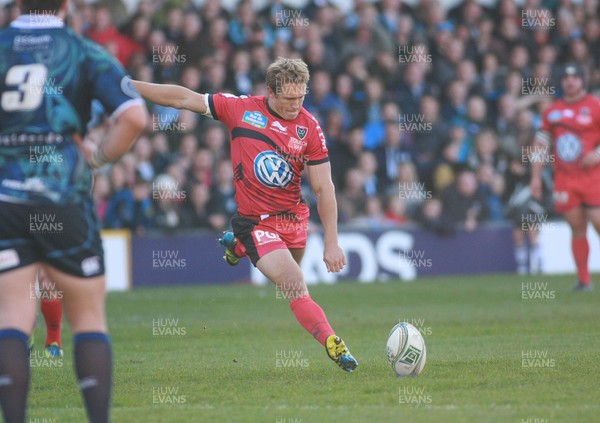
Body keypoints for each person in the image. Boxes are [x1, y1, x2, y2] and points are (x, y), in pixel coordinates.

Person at [133, 57, 358, 372]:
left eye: (302, 97)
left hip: (293, 221)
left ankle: (237, 246)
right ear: (270, 91)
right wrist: (130, 86)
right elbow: (184, 98)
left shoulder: (310, 128)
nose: (296, 105)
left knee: (292, 278)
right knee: (295, 282)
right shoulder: (240, 109)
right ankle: (334, 344)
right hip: (255, 221)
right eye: (289, 98)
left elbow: (324, 188)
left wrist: (332, 242)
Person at [0, 1, 148, 422]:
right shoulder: (83, 51)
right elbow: (134, 118)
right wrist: (97, 160)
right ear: (65, 4)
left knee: (10, 318)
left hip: (6, 197)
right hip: (62, 194)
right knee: (87, 319)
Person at [530, 63, 600, 292]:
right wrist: (535, 177)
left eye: (575, 77)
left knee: (598, 222)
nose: (571, 82)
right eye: (567, 78)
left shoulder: (595, 106)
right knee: (576, 226)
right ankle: (584, 280)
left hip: (592, 177)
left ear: (583, 81)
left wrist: (597, 154)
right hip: (565, 179)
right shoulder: (552, 111)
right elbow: (541, 144)